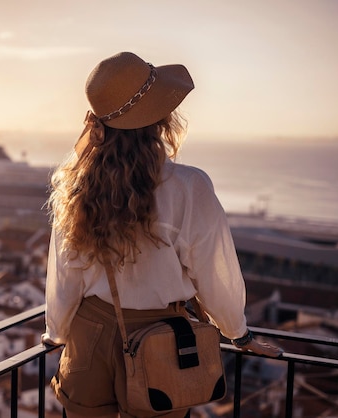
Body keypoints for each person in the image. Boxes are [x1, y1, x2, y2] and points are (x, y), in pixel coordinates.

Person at [42, 51, 283, 418]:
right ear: (160, 120)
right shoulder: (189, 187)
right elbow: (214, 271)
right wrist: (239, 333)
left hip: (88, 335)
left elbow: (65, 273)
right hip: (162, 338)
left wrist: (56, 333)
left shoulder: (77, 187)